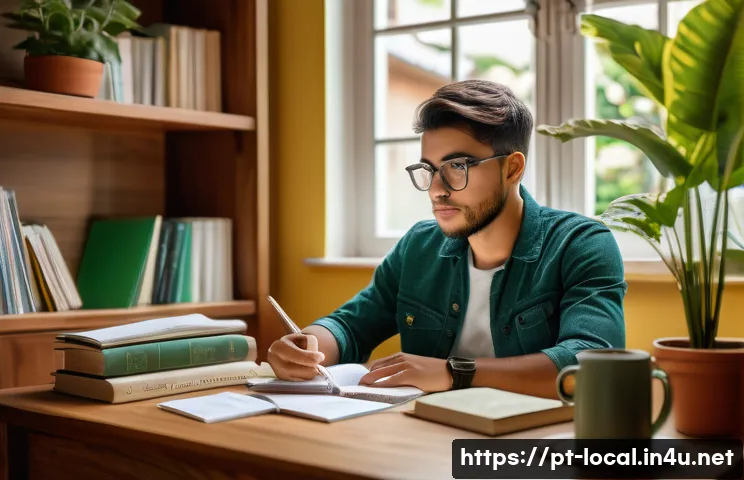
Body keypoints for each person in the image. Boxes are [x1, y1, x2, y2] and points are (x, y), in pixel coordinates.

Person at [267, 80, 627, 399]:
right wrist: (308, 345)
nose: (437, 190)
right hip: (424, 439)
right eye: (429, 169)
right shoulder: (419, 247)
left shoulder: (581, 244)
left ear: (512, 168)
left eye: (458, 167)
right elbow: (350, 325)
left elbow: (594, 360)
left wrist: (455, 372)